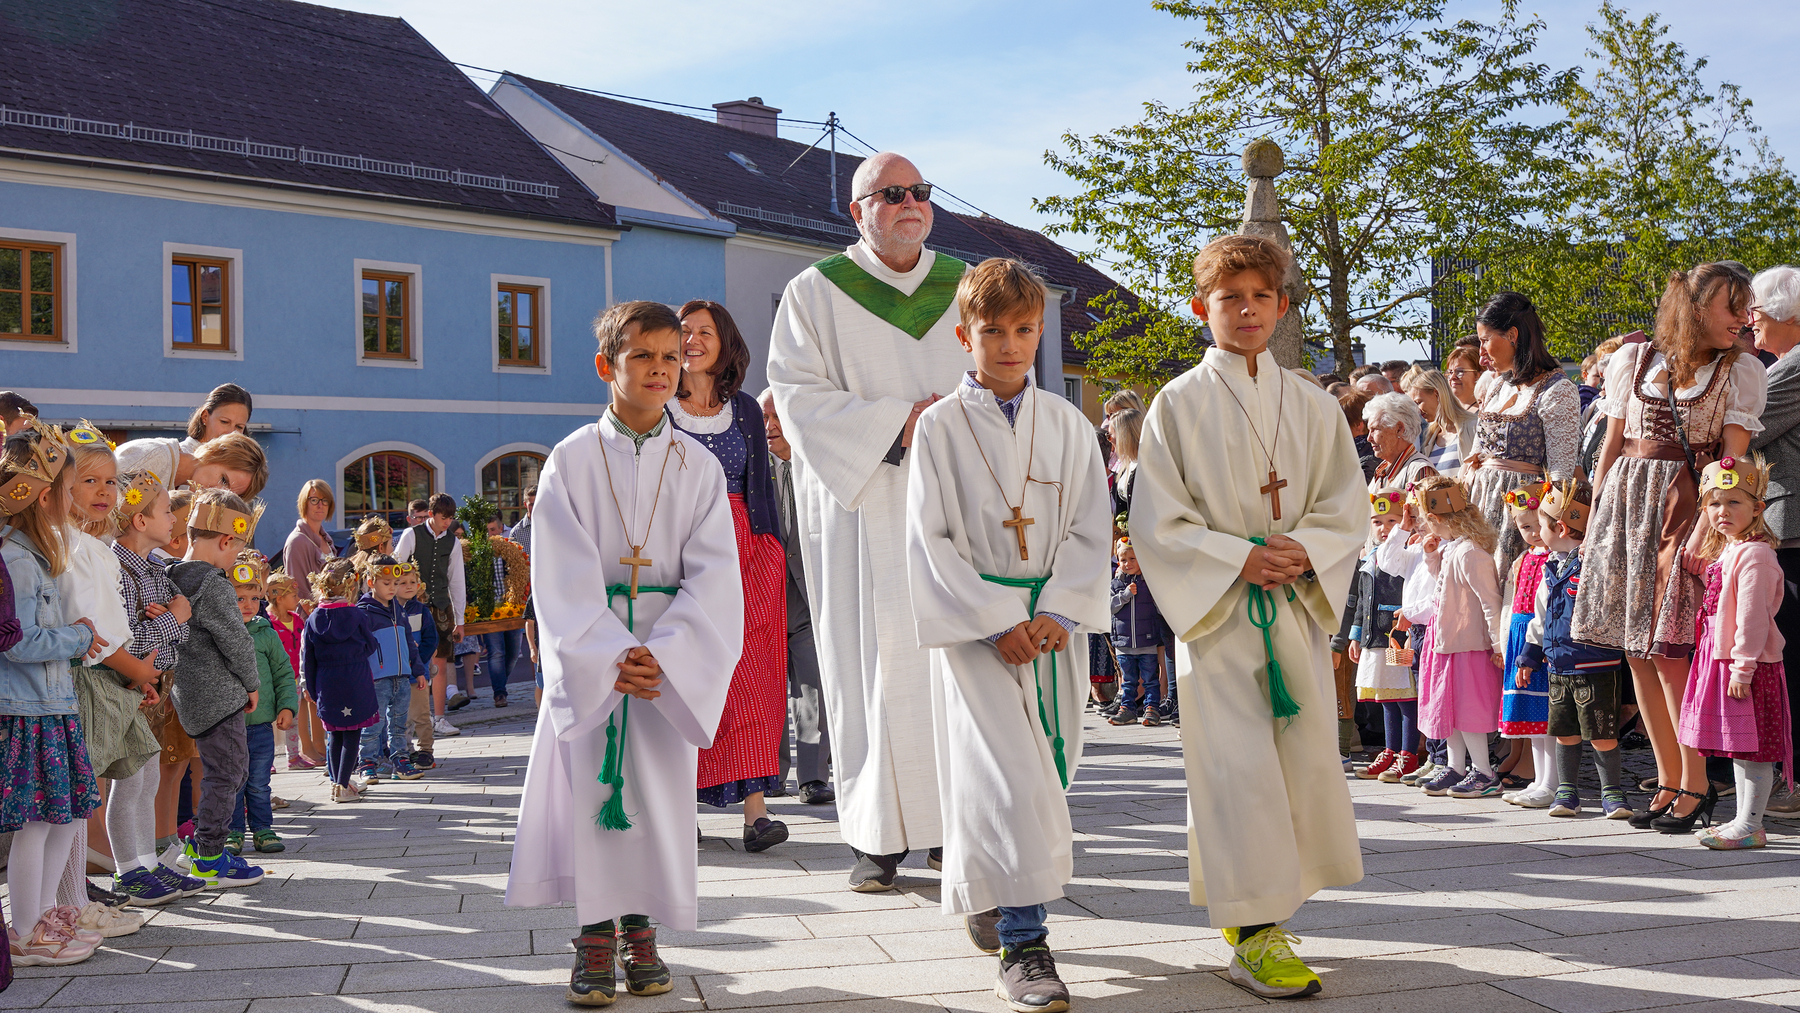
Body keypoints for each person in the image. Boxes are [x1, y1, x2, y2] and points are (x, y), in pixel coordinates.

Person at [1129, 234, 1364, 999]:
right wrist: (1239, 556)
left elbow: (1346, 502)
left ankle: (1260, 915)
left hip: (1293, 607)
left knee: (1297, 769)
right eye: (1231, 297)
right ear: (1203, 307)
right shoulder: (1177, 403)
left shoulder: (1313, 402)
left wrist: (1305, 547)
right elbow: (1157, 519)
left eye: (1262, 295)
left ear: (1283, 305)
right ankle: (1256, 933)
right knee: (1238, 773)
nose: (1248, 309)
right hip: (1222, 616)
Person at [506, 300, 743, 1007]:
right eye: (643, 356)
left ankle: (641, 931)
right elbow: (559, 574)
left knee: (655, 799)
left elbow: (716, 576)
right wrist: (612, 652)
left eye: (672, 357)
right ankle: (593, 939)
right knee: (593, 797)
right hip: (597, 659)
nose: (660, 369)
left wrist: (665, 655)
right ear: (607, 365)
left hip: (664, 667)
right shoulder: (572, 460)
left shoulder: (698, 467)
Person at [903, 257, 1110, 1011]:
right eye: (993, 331)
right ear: (965, 335)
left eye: (1024, 330)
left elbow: (1090, 522)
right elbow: (930, 538)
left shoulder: (1066, 423)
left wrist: (1059, 610)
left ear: (1041, 331)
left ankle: (993, 890)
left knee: (1047, 774)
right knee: (1007, 776)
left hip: (1053, 630)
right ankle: (1025, 944)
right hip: (980, 635)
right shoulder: (938, 428)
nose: (1010, 345)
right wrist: (996, 621)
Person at [767, 151, 965, 889]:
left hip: (956, 507)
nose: (910, 203)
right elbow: (795, 395)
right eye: (891, 194)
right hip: (863, 508)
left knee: (954, 666)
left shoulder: (966, 287)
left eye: (920, 191)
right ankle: (876, 840)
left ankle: (953, 830)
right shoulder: (814, 291)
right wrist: (898, 422)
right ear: (857, 211)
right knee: (870, 668)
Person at [1576, 264, 1766, 831]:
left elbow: (1732, 460)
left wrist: (1713, 527)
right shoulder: (1632, 360)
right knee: (1635, 651)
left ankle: (1697, 782)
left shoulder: (1740, 370)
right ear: (1696, 308)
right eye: (1733, 306)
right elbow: (1611, 447)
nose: (1743, 319)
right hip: (1625, 508)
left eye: (1747, 307)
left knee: (1669, 650)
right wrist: (1596, 521)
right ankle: (1666, 779)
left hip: (1684, 508)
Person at [669, 299, 790, 846]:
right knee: (685, 674)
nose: (692, 340)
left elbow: (760, 484)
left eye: (705, 332)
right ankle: (678, 807)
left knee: (752, 677)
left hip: (748, 551)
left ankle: (755, 813)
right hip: (682, 549)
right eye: (684, 331)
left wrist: (771, 549)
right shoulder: (658, 407)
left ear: (726, 345)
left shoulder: (743, 409)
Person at [1, 421, 111, 966]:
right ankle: (25, 930)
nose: (73, 500)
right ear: (44, 497)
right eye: (69, 490)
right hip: (28, 708)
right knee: (38, 821)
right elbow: (16, 640)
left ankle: (45, 915)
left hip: (51, 704)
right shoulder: (17, 558)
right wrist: (79, 636)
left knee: (64, 815)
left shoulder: (35, 554)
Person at [55, 434, 160, 937]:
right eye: (89, 480)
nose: (103, 491)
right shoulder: (69, 547)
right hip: (91, 676)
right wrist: (134, 670)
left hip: (115, 676)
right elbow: (86, 629)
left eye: (110, 481)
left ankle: (76, 898)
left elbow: (112, 622)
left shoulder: (94, 546)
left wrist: (133, 674)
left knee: (113, 780)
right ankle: (70, 901)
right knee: (80, 795)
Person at [1673, 457, 1791, 847]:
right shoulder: (1732, 549)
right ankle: (1743, 819)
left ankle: (1751, 825)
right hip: (1723, 660)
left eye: (1733, 502)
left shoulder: (1755, 555)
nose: (1722, 511)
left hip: (1747, 664)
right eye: (1714, 504)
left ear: (1757, 508)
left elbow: (1753, 618)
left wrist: (1742, 669)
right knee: (1739, 748)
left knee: (1754, 750)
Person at [162, 487, 267, 888]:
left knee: (220, 772)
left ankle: (202, 847)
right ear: (226, 540)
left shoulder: (169, 575)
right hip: (220, 697)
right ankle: (208, 857)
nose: (236, 557)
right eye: (237, 549)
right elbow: (237, 642)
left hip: (189, 697)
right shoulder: (214, 584)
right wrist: (252, 684)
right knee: (229, 773)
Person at [109, 470, 204, 904]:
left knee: (146, 780)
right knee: (129, 781)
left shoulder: (154, 569)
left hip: (153, 685)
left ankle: (147, 864)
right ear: (140, 520)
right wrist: (174, 617)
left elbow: (179, 633)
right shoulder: (119, 571)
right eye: (167, 511)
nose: (174, 520)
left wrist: (172, 620)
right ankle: (127, 871)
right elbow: (129, 643)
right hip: (126, 685)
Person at [1517, 478, 1630, 819]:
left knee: (1602, 733)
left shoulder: (1595, 561)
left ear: (1561, 528)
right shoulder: (1551, 567)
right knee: (1564, 732)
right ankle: (1567, 791)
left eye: (1542, 526)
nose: (1539, 533)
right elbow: (1541, 616)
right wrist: (1529, 656)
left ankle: (1612, 792)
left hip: (1595, 665)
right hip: (1558, 666)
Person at [1462, 293, 1580, 585]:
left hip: (1522, 514)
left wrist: (1547, 531)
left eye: (1485, 340)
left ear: (1512, 335)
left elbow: (1561, 474)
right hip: (1480, 504)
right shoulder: (1496, 386)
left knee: (1506, 590)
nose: (1481, 352)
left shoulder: (1557, 390)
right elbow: (1476, 454)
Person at [1409, 477, 1506, 799]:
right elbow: (1447, 587)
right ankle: (1456, 766)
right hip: (1446, 641)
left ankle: (1485, 772)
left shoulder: (1470, 553)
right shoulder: (1453, 549)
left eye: (1425, 521)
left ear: (1435, 518)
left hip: (1467, 644)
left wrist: (1498, 644)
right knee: (1447, 708)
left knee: (1468, 711)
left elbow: (1490, 602)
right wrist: (1431, 558)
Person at [760, 389, 833, 804]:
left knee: (812, 689)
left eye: (777, 417)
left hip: (809, 598)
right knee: (769, 689)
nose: (770, 426)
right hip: (766, 600)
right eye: (764, 418)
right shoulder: (754, 471)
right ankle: (771, 773)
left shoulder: (815, 466)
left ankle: (813, 779)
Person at [1745, 264, 1800, 815]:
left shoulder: (1794, 367)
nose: (1750, 320)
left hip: (1793, 529)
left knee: (1793, 658)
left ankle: (1792, 779)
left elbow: (1744, 429)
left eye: (1756, 309)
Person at [1337, 494, 1415, 782]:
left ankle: (1408, 754)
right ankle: (1390, 750)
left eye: (1392, 521)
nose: (1385, 528)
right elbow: (1361, 601)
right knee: (1385, 698)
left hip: (1395, 636)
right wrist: (1356, 635)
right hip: (1374, 639)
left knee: (1404, 698)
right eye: (1378, 522)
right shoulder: (1369, 557)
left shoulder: (1406, 554)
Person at [227, 553, 296, 855]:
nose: (248, 605)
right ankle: (232, 832)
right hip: (227, 726)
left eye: (254, 598)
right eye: (239, 598)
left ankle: (263, 829)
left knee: (258, 782)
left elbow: (283, 672)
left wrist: (287, 706)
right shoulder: (220, 633)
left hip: (260, 727)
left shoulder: (266, 633)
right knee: (232, 782)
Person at [1497, 488, 1554, 807]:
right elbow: (1510, 602)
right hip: (1520, 637)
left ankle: (1552, 781)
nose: (1533, 533)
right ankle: (1539, 779)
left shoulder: (1553, 559)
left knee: (1545, 714)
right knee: (1531, 717)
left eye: (1537, 525)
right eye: (1525, 527)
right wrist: (1504, 641)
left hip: (1539, 641)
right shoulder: (1522, 560)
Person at [355, 556, 426, 784]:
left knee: (399, 723)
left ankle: (400, 761)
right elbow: (359, 649)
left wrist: (418, 671)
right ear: (371, 582)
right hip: (377, 679)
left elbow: (409, 642)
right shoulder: (363, 612)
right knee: (373, 725)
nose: (393, 588)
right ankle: (367, 763)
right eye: (387, 583)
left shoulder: (399, 610)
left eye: (395, 583)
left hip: (402, 677)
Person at [394, 494, 466, 713]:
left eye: (450, 518)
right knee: (416, 661)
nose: (447, 522)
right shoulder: (411, 534)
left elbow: (457, 581)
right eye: (444, 518)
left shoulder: (452, 541)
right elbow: (396, 569)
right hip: (414, 607)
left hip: (442, 607)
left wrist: (460, 620)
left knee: (441, 663)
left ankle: (440, 717)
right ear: (431, 514)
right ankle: (415, 717)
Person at [265, 571, 320, 770]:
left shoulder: (297, 620)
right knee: (269, 722)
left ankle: (294, 757)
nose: (298, 600)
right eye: (294, 596)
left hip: (293, 678)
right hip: (272, 679)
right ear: (279, 598)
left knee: (293, 718)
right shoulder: (267, 623)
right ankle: (267, 761)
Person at [396, 564, 449, 771]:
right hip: (397, 673)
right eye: (402, 583)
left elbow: (430, 640)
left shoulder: (421, 611)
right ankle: (407, 750)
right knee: (401, 717)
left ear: (419, 585)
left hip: (418, 673)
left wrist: (418, 661)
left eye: (412, 582)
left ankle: (426, 750)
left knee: (421, 714)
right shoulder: (389, 610)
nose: (409, 586)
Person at [113, 431, 267, 500]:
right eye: (224, 480)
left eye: (227, 493)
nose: (217, 492)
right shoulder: (157, 457)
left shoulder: (181, 490)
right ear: (216, 452)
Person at [1110, 538, 1164, 727]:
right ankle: (1127, 710)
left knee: (1150, 679)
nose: (1128, 564)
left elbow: (1160, 606)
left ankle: (1152, 709)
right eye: (1123, 560)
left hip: (1147, 640)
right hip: (1123, 643)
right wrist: (1125, 595)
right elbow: (1109, 607)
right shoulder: (1115, 584)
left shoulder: (1149, 582)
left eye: (1133, 559)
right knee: (1128, 681)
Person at [1402, 368, 1477, 477]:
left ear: (1436, 393)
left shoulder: (1473, 426)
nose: (1417, 410)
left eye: (1418, 402)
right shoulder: (1430, 437)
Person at [283, 479, 337, 603]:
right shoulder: (297, 541)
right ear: (304, 503)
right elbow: (299, 592)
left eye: (325, 500)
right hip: (311, 613)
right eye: (314, 500)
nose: (320, 505)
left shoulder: (327, 539)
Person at [180, 384, 253, 452]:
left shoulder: (244, 459)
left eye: (239, 427)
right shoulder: (181, 455)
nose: (231, 433)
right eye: (224, 422)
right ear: (205, 417)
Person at [1338, 388, 1377, 481]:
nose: (1336, 428)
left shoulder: (1369, 461)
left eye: (1340, 423)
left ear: (1358, 425)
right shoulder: (1351, 450)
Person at [1444, 342, 1484, 411]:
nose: (1452, 377)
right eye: (1450, 372)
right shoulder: (1446, 411)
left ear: (1478, 375)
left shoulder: (1487, 411)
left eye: (1460, 372)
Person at [508, 485, 537, 554]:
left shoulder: (551, 527)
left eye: (537, 504)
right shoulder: (516, 532)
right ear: (525, 504)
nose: (535, 508)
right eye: (532, 505)